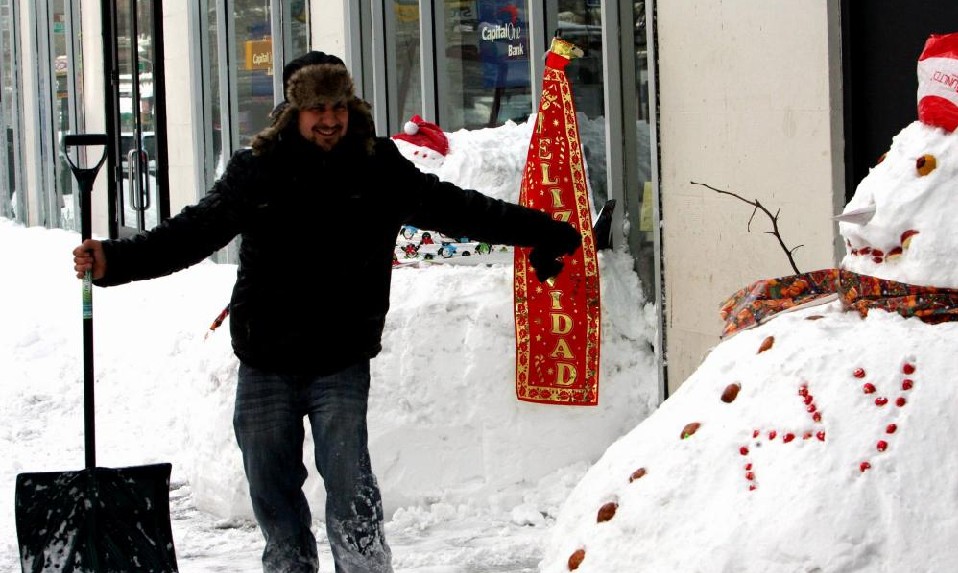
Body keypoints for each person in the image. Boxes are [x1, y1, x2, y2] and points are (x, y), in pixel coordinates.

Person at [72, 51, 581, 573]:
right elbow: (192, 233)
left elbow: (460, 210)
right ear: (294, 111)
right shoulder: (259, 171)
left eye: (337, 105)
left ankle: (363, 566)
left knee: (348, 480)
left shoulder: (376, 166)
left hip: (339, 357)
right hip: (266, 356)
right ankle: (290, 566)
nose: (330, 118)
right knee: (270, 485)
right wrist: (117, 260)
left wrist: (542, 231)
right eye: (317, 107)